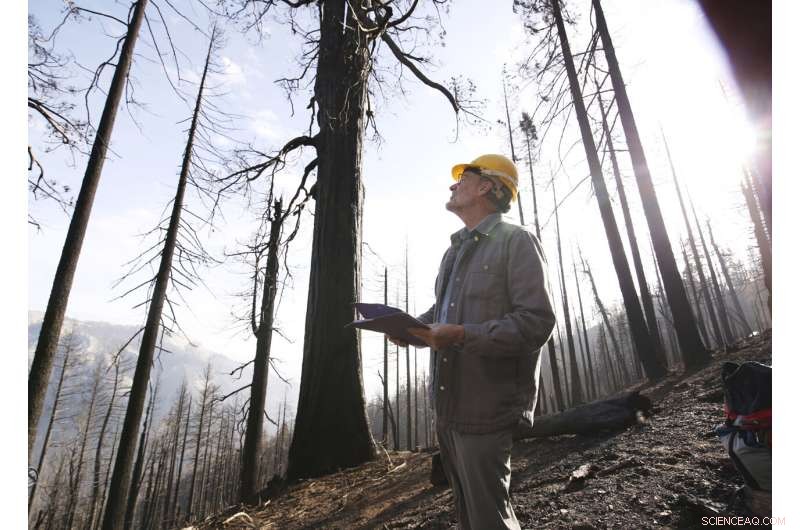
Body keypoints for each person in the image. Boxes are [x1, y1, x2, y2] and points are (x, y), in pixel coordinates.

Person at [390, 154, 556, 530]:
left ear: (486, 187)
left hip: (487, 409)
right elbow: (443, 313)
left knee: (490, 520)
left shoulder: (518, 241)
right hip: (449, 409)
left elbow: (536, 323)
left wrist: (463, 335)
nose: (453, 184)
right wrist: (412, 328)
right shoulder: (454, 251)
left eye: (462, 177)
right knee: (469, 517)